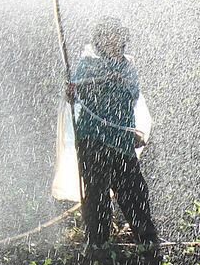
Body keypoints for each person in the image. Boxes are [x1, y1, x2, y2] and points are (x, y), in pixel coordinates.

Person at [65, 19, 158, 247]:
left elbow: (133, 95)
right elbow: (76, 91)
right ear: (99, 40)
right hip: (93, 139)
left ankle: (148, 244)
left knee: (134, 193)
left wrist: (112, 81)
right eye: (107, 36)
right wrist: (83, 87)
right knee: (97, 195)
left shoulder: (128, 67)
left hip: (121, 141)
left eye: (116, 36)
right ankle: (98, 247)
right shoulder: (87, 64)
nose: (112, 40)